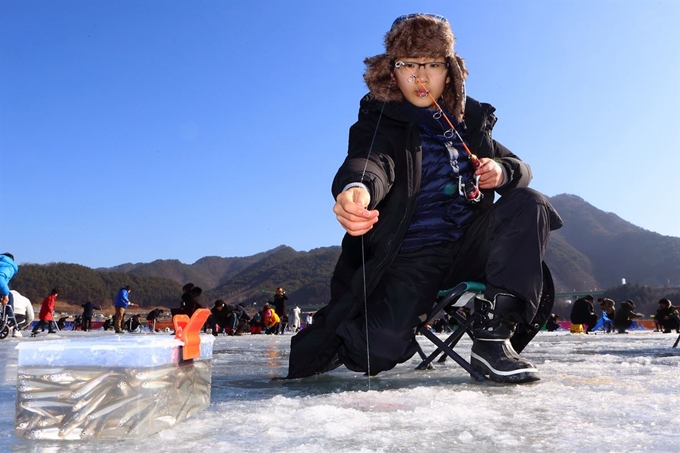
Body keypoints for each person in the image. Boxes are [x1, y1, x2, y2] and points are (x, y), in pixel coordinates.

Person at [286, 14, 562, 384]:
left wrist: (502, 170)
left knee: (530, 202)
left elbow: (520, 167)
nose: (420, 77)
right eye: (408, 65)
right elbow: (370, 159)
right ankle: (353, 333)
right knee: (376, 349)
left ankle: (493, 342)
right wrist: (358, 188)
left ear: (449, 72)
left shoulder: (470, 122)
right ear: (392, 73)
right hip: (412, 258)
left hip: (471, 248)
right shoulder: (381, 120)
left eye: (432, 64)